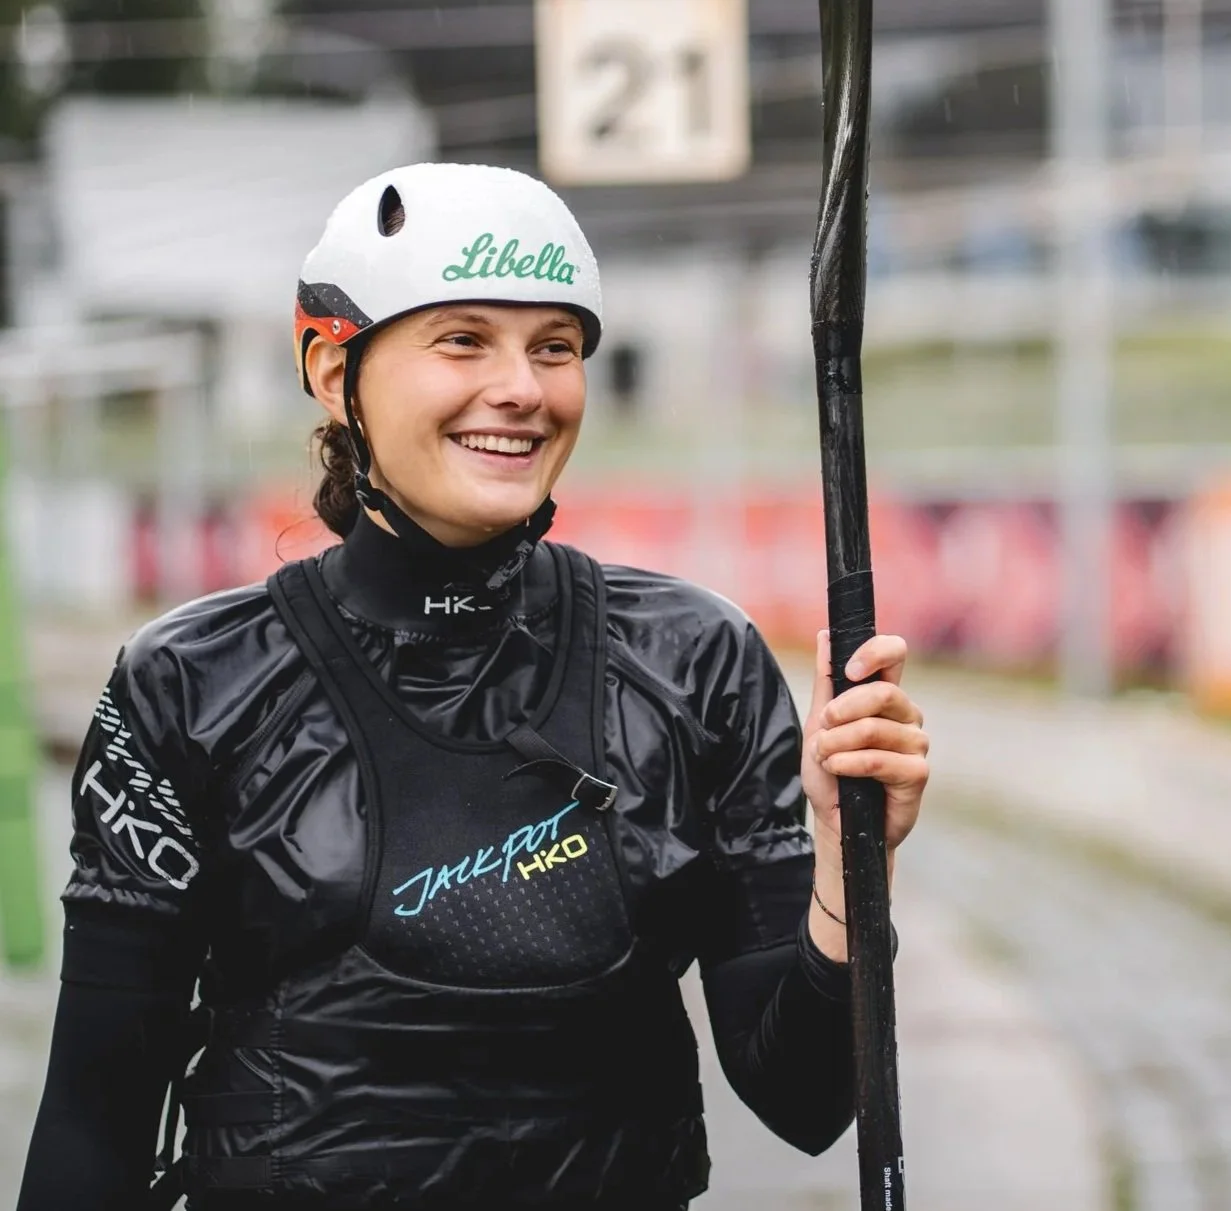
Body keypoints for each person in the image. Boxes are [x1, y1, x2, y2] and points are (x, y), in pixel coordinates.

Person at [14, 162, 932, 1211]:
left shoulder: (695, 660)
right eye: (462, 340)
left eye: (555, 347)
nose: (522, 389)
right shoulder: (190, 682)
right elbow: (94, 1124)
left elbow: (804, 1097)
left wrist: (850, 862)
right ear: (332, 368)